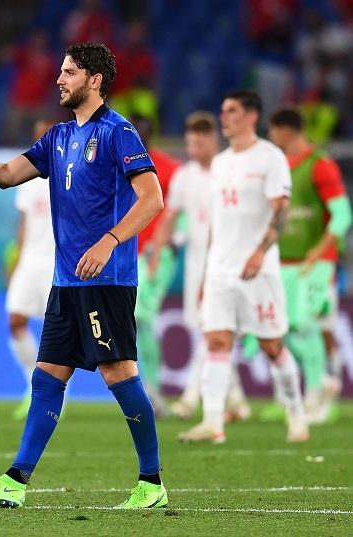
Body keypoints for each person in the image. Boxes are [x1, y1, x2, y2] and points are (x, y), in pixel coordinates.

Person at [0, 42, 166, 510]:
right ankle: (14, 481)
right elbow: (5, 174)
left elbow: (152, 199)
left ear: (95, 80)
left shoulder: (119, 133)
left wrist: (109, 240)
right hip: (67, 282)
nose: (59, 79)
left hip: (106, 278)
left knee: (119, 374)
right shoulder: (56, 137)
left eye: (70, 72)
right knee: (47, 376)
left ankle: (151, 483)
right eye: (61, 70)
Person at [178, 90, 308, 444]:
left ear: (252, 116)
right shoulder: (220, 163)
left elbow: (281, 208)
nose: (225, 117)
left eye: (232, 111)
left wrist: (260, 252)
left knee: (272, 346)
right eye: (223, 110)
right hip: (221, 269)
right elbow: (217, 224)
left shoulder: (270, 158)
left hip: (258, 270)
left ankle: (295, 412)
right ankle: (214, 423)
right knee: (217, 341)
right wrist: (206, 272)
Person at [150, 112, 250, 421]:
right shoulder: (184, 176)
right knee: (212, 333)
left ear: (213, 141)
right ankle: (238, 401)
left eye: (200, 142)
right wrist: (157, 253)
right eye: (190, 142)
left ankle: (191, 399)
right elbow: (169, 216)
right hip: (196, 268)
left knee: (212, 332)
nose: (194, 147)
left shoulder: (229, 171)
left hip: (226, 265)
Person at [267, 106, 351, 424]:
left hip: (317, 263)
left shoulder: (321, 166)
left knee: (310, 323)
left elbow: (343, 215)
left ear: (287, 131)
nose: (271, 137)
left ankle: (318, 392)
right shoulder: (281, 167)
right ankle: (325, 384)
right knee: (281, 329)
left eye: (274, 131)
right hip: (284, 261)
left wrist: (320, 249)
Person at [7, 118, 57, 421]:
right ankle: (32, 384)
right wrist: (16, 260)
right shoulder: (28, 178)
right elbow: (24, 225)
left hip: (57, 263)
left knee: (57, 334)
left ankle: (52, 394)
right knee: (15, 322)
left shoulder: (70, 174)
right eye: (37, 136)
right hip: (29, 263)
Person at [131, 114, 179, 415]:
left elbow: (180, 209)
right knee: (132, 322)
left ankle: (153, 390)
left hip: (154, 256)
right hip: (123, 253)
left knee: (142, 317)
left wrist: (166, 243)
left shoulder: (170, 168)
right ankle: (145, 388)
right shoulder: (117, 163)